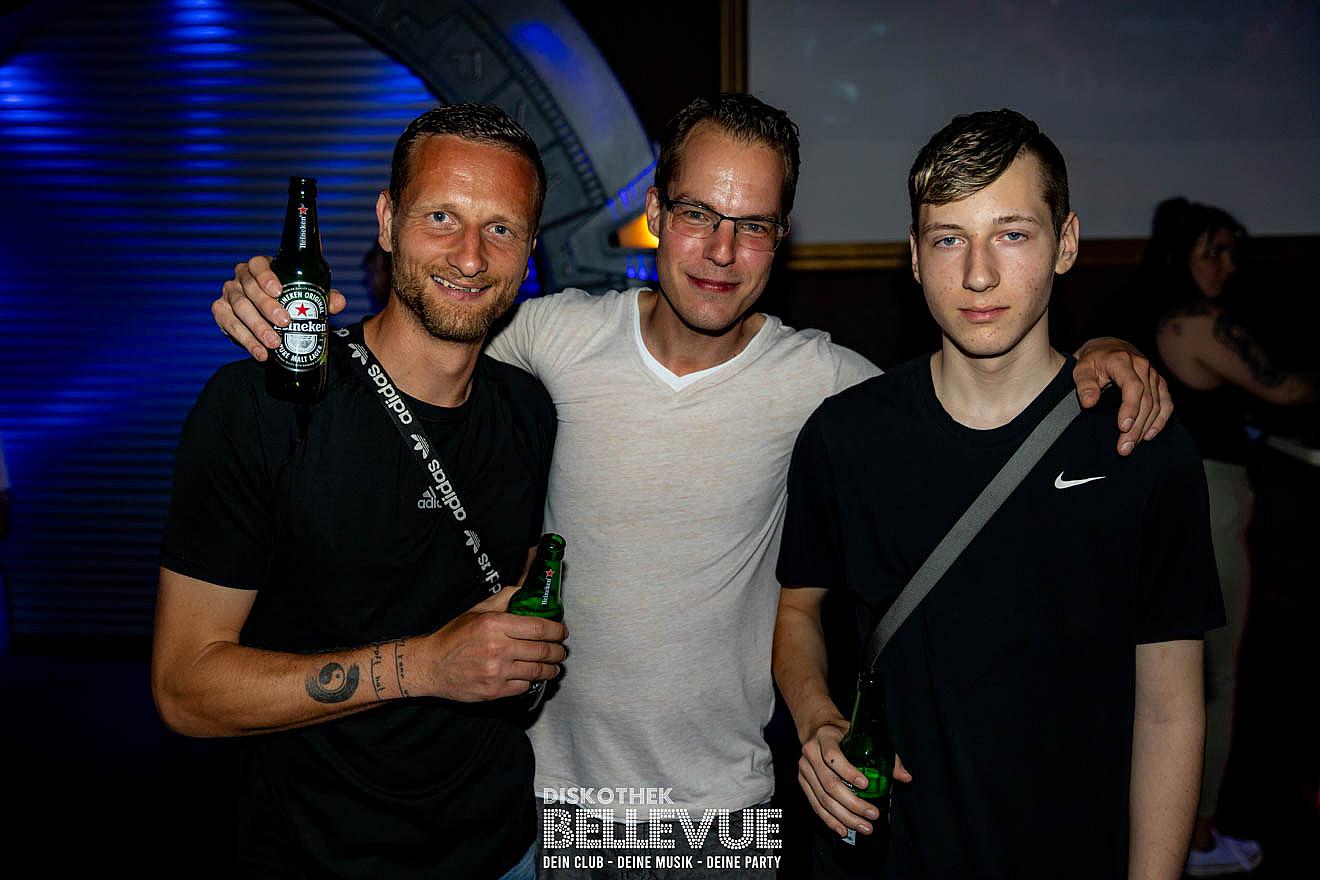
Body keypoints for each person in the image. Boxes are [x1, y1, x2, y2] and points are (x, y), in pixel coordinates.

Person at [211, 95, 1172, 879]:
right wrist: (275, 311)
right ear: (658, 214)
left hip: (727, 819)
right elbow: (422, 332)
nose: (720, 250)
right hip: (542, 809)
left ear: (782, 238)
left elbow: (973, 387)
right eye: (699, 214)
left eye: (752, 226)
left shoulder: (827, 385)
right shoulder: (550, 337)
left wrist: (1099, 351)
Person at [773, 110, 1224, 880]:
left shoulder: (1139, 442)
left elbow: (1170, 707)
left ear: (1066, 242)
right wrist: (817, 717)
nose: (978, 274)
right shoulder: (845, 437)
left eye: (1011, 234)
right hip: (884, 858)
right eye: (949, 239)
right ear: (914, 256)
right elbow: (796, 612)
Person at [153, 104, 565, 879]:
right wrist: (428, 665)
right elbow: (184, 690)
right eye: (441, 216)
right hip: (317, 856)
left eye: (501, 228)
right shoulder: (260, 408)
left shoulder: (531, 411)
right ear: (386, 220)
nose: (470, 255)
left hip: (507, 852)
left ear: (530, 248)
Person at [1141, 198, 1316, 876]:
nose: (1227, 265)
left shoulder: (1144, 315)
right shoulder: (1194, 321)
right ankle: (1197, 839)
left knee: (1176, 676)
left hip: (1171, 499)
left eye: (1230, 252)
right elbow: (1284, 388)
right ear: (1180, 255)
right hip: (1205, 498)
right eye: (1213, 251)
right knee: (1211, 676)